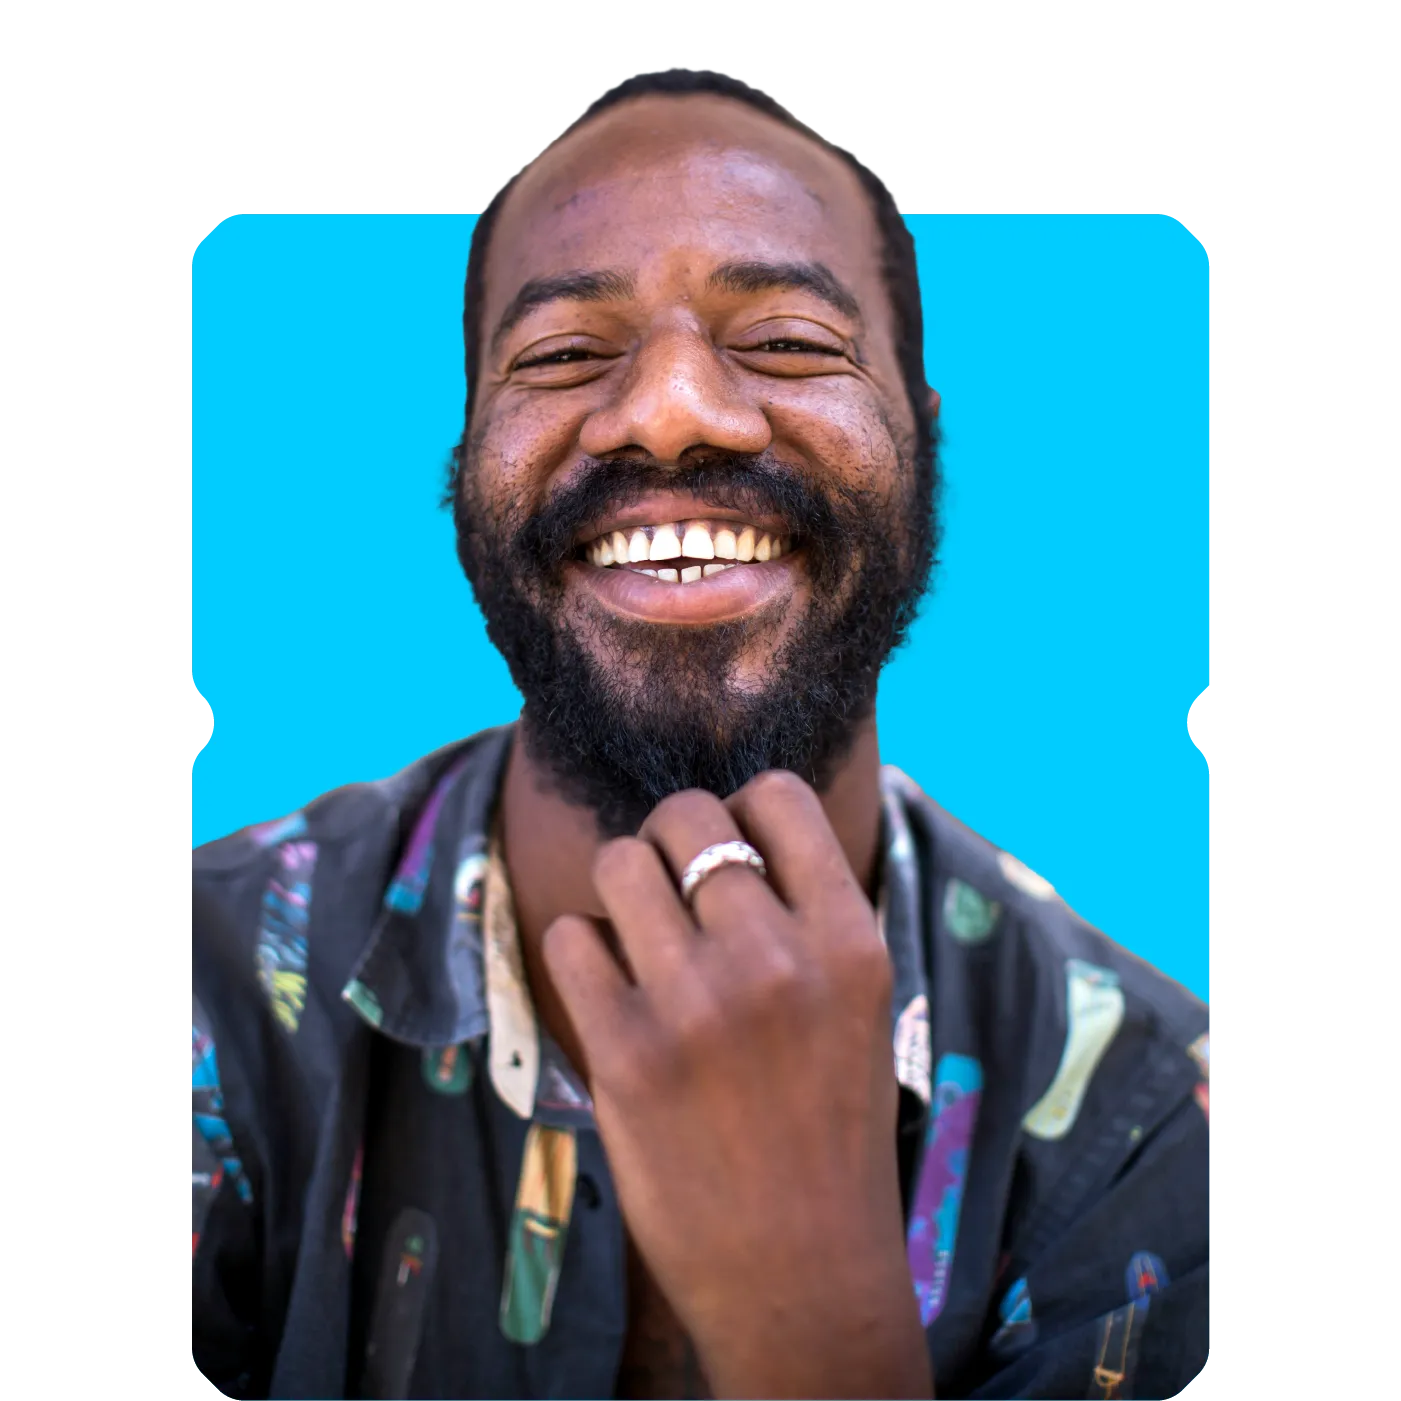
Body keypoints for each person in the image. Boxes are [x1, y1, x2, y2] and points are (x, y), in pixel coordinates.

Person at [192, 64, 1211, 1401]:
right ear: (465, 462)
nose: (673, 408)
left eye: (788, 341)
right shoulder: (173, 991)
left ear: (923, 443)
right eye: (563, 356)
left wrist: (815, 1342)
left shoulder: (1164, 1142)